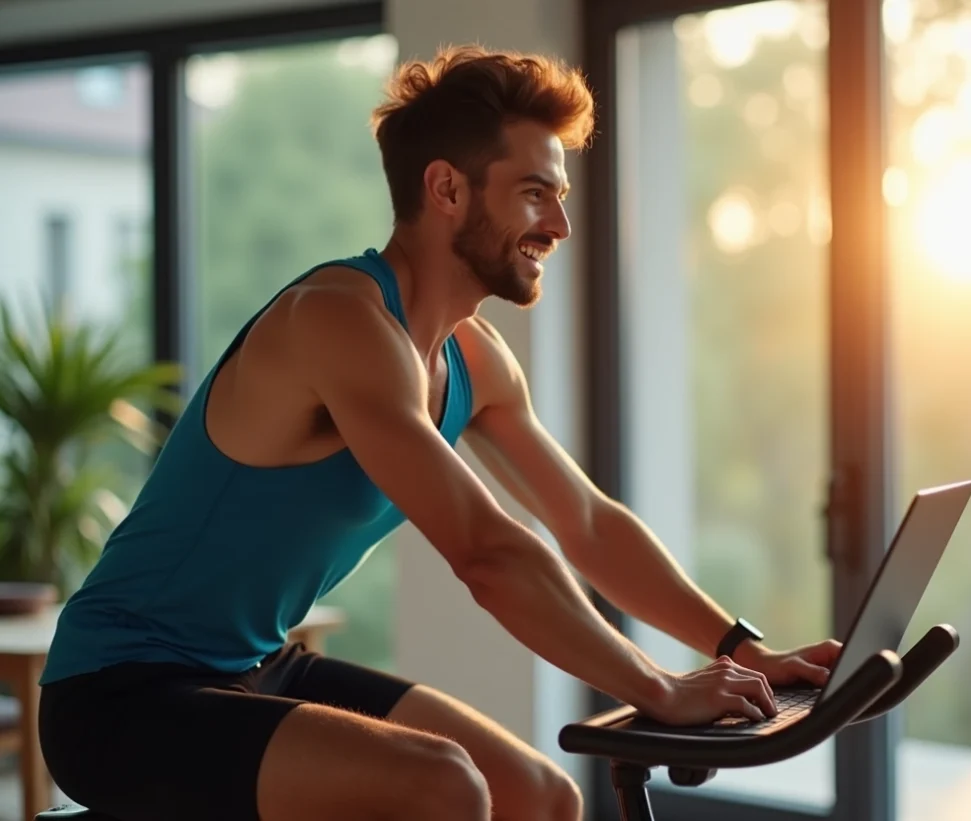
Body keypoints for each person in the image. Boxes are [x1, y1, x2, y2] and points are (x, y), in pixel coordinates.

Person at [37, 45, 842, 821]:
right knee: (444, 788)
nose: (559, 224)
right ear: (447, 188)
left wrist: (740, 647)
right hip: (120, 693)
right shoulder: (337, 321)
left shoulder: (473, 360)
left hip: (258, 664)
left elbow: (586, 522)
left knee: (542, 796)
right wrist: (656, 686)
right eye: (534, 192)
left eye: (558, 194)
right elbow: (488, 553)